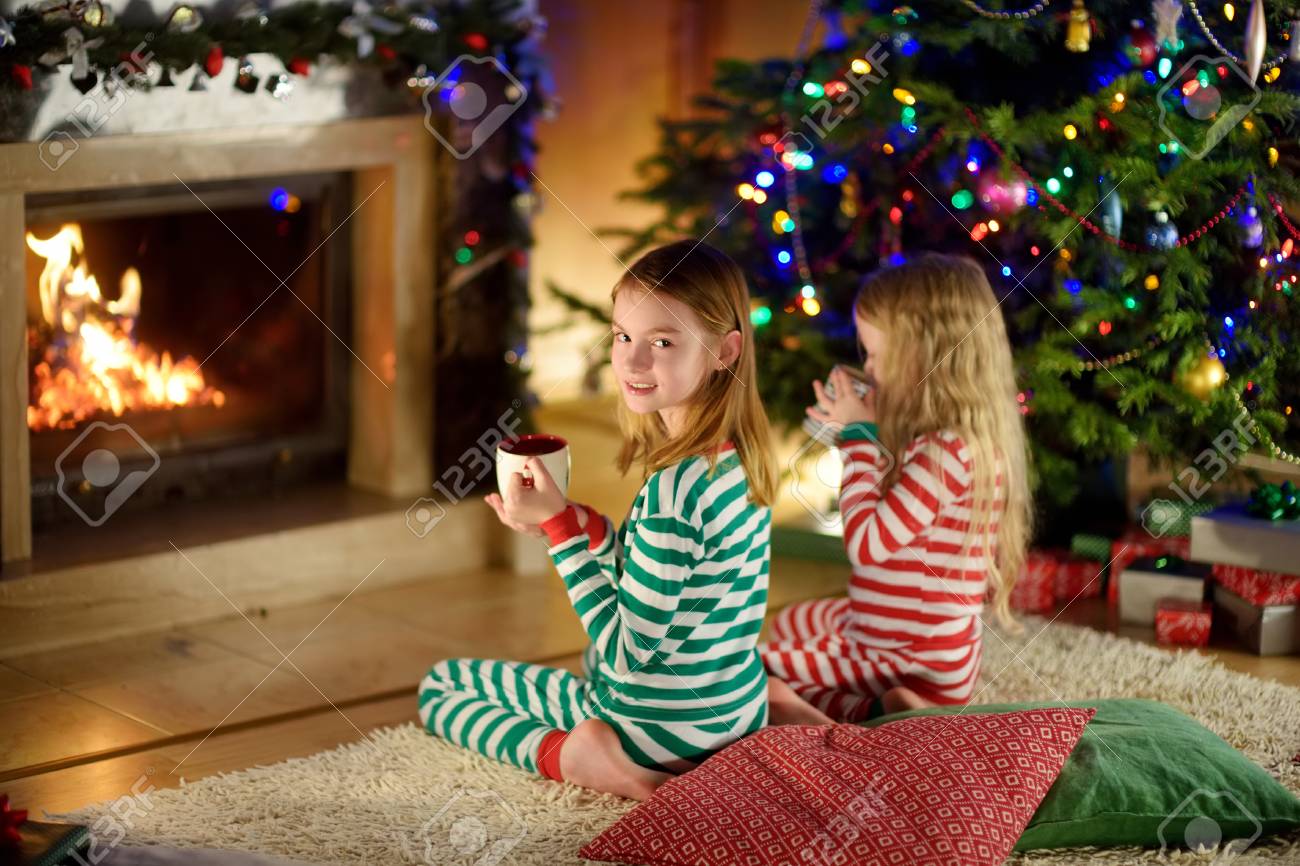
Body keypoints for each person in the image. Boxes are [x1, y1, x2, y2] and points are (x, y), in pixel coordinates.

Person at [418, 239, 778, 800]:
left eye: (662, 342)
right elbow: (656, 572)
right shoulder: (741, 456)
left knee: (443, 687)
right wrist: (571, 522)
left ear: (724, 351)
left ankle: (584, 758)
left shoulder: (674, 489)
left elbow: (625, 656)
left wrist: (560, 536)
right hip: (734, 715)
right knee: (586, 661)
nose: (632, 361)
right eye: (623, 336)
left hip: (659, 731)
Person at [763, 253, 1032, 724]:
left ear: (920, 355)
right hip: (923, 646)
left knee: (754, 671)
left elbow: (867, 545)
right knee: (791, 623)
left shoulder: (947, 452)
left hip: (906, 656)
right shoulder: (961, 438)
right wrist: (844, 421)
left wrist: (858, 439)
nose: (867, 365)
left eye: (874, 354)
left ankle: (879, 711)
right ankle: (888, 707)